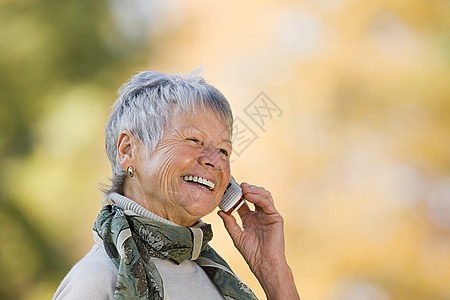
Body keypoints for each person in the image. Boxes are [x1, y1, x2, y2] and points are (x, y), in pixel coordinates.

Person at [53, 71, 300, 300]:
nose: (214, 161)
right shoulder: (95, 281)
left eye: (223, 150)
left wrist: (272, 269)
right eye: (194, 140)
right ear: (128, 150)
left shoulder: (217, 279)